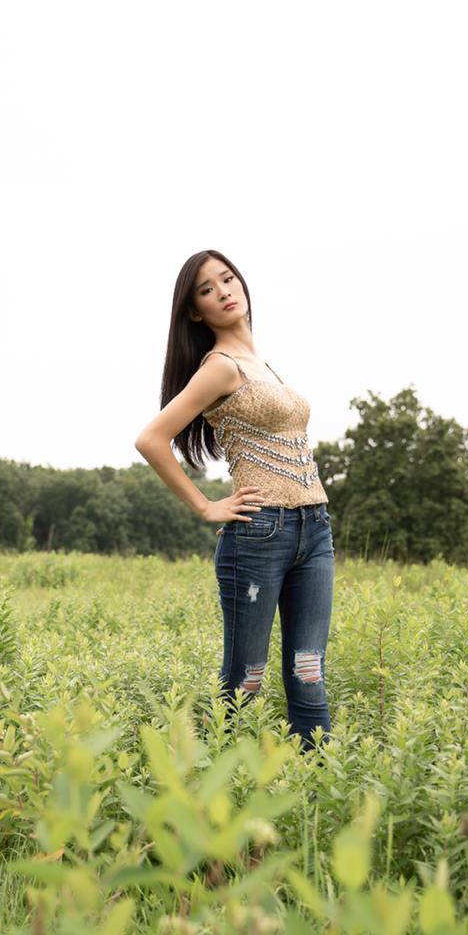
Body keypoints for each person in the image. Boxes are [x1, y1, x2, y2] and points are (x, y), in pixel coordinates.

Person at [135, 249, 334, 751]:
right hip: (261, 532)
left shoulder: (263, 365)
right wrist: (206, 507)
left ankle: (315, 794)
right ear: (195, 312)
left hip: (315, 530)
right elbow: (151, 439)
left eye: (228, 279)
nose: (223, 291)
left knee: (308, 672)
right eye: (207, 289)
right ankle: (217, 789)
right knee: (245, 680)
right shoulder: (220, 368)